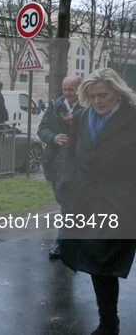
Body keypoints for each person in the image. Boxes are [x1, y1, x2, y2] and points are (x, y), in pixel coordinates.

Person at [58, 68, 136, 335]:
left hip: (120, 200)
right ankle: (109, 321)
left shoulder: (132, 118)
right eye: (92, 97)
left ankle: (108, 322)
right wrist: (67, 183)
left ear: (117, 92)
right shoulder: (82, 116)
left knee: (104, 260)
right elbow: (71, 154)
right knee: (95, 261)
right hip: (86, 198)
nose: (98, 101)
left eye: (103, 95)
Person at [37, 76, 82, 258]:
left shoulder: (87, 108)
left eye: (71, 89)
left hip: (76, 164)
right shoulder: (55, 106)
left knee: (68, 204)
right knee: (64, 201)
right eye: (65, 89)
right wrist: (53, 137)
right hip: (55, 163)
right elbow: (42, 128)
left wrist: (74, 124)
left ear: (79, 89)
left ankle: (62, 242)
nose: (67, 93)